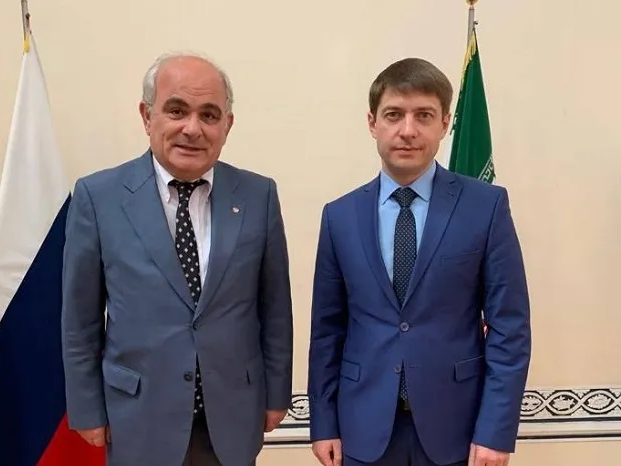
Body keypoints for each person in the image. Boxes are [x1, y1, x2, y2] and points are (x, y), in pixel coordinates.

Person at [61, 53, 294, 466]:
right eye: (176, 110)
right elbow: (80, 322)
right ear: (147, 116)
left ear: (227, 125)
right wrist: (86, 409)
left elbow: (275, 310)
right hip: (138, 417)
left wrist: (277, 394)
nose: (192, 128)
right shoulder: (98, 198)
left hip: (232, 418)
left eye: (209, 115)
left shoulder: (258, 196)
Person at [307, 57, 531, 466]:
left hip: (458, 430)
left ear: (445, 123)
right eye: (394, 115)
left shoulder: (486, 206)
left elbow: (509, 329)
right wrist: (323, 424)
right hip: (362, 429)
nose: (407, 130)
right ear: (372, 123)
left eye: (423, 115)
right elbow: (327, 331)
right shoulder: (339, 216)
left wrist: (495, 432)